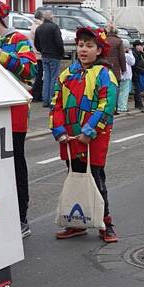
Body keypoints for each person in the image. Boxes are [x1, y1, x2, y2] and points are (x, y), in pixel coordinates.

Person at [49, 27, 119, 243]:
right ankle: (76, 223)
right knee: (74, 179)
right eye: (81, 45)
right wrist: (59, 130)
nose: (83, 50)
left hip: (93, 141)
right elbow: (56, 104)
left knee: (96, 181)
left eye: (89, 46)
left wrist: (89, 131)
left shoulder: (105, 75)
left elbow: (106, 105)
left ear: (99, 50)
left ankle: (105, 223)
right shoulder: (67, 74)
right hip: (70, 140)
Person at [0, 0, 37, 238]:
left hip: (14, 111)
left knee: (15, 165)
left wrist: (0, 55)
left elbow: (30, 71)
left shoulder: (17, 40)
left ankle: (21, 218)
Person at [34, 9, 64, 107]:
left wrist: (41, 50)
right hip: (54, 56)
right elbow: (59, 42)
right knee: (54, 78)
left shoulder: (39, 28)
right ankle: (52, 100)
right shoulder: (54, 27)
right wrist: (61, 53)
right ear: (51, 18)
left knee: (46, 77)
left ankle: (45, 100)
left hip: (44, 55)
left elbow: (36, 44)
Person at [104, 24, 126, 90]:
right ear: (116, 32)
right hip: (115, 70)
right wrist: (123, 69)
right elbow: (122, 57)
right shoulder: (119, 41)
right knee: (115, 91)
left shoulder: (103, 40)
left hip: (104, 69)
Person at [29, 10, 44, 102]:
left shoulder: (34, 26)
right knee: (40, 75)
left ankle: (37, 94)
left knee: (39, 75)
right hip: (38, 54)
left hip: (35, 53)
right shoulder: (38, 27)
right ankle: (35, 94)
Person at [131, 39, 144, 112]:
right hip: (135, 74)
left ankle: (139, 104)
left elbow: (143, 62)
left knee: (139, 89)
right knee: (137, 89)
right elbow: (135, 65)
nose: (143, 47)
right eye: (141, 45)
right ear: (137, 46)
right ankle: (139, 105)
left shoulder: (140, 53)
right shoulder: (134, 53)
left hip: (139, 73)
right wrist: (143, 71)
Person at [117, 46, 135, 112]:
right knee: (124, 92)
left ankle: (119, 106)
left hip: (119, 75)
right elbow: (133, 62)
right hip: (126, 76)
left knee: (119, 92)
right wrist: (130, 52)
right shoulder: (126, 55)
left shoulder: (117, 54)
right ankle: (122, 107)